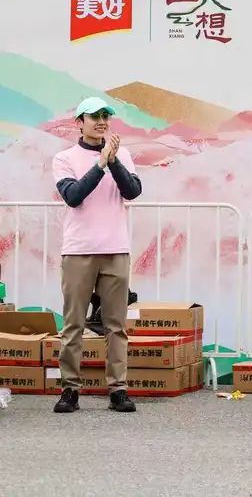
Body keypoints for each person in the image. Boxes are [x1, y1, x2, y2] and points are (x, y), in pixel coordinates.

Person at [51, 97, 142, 414]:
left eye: (106, 116)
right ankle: (70, 390)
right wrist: (100, 163)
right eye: (94, 116)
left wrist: (113, 161)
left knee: (116, 325)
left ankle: (118, 390)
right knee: (73, 324)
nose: (101, 121)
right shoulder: (64, 158)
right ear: (79, 122)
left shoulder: (122, 154)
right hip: (78, 250)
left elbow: (132, 191)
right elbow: (73, 196)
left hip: (116, 248)